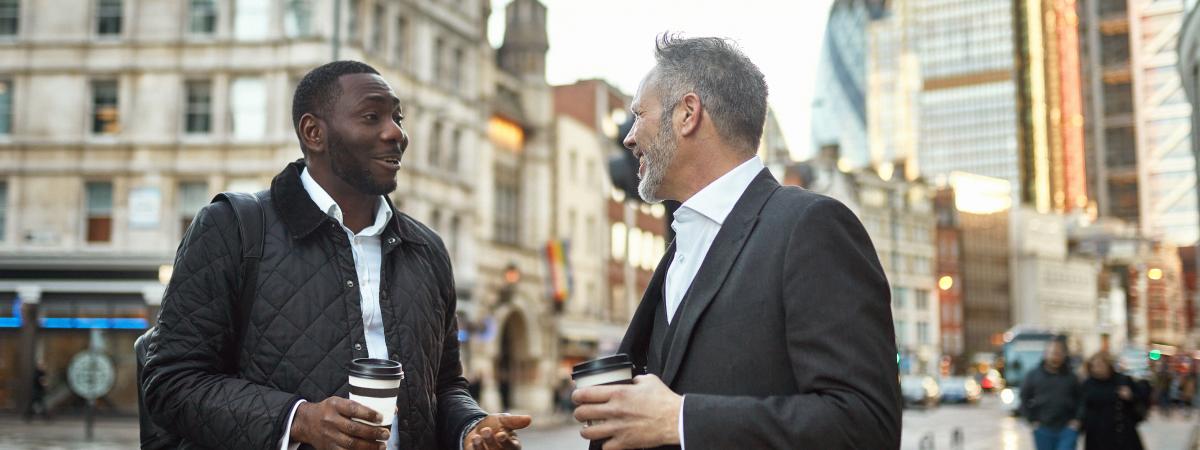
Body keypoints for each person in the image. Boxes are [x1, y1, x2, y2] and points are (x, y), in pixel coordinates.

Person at [143, 61, 530, 450]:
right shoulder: (232, 227)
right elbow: (171, 383)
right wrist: (297, 420)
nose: (396, 133)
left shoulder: (427, 250)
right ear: (314, 133)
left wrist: (472, 428)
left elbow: (445, 386)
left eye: (397, 117)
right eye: (371, 116)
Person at [571, 34, 902, 450]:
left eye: (640, 115)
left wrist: (681, 419)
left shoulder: (811, 228)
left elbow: (866, 424)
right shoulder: (679, 250)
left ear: (688, 113)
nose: (629, 137)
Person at [1020, 340, 1081, 450]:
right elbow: (1024, 397)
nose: (1055, 357)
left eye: (1058, 353)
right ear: (1045, 354)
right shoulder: (1033, 375)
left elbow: (1081, 399)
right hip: (1042, 428)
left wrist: (1077, 420)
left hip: (1067, 427)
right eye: (1052, 353)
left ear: (1063, 355)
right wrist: (1031, 420)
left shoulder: (1072, 377)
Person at [1077, 353, 1145, 450]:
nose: (1096, 369)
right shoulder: (1088, 384)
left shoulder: (1122, 380)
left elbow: (1140, 398)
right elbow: (1082, 405)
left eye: (1099, 365)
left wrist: (1131, 396)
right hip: (1096, 433)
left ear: (1108, 365)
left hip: (1121, 432)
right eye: (1093, 366)